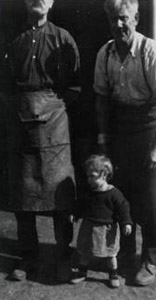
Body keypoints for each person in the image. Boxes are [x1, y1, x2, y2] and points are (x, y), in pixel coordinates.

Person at [94, 0, 156, 286]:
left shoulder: (151, 50)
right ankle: (124, 255)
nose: (119, 24)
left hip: (154, 127)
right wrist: (103, 140)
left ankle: (150, 262)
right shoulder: (105, 53)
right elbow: (102, 99)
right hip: (122, 128)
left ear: (136, 18)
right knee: (121, 192)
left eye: (124, 18)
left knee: (152, 197)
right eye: (113, 19)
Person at [1, 0, 80, 281]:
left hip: (55, 125)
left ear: (52, 3)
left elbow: (74, 86)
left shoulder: (63, 38)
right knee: (23, 193)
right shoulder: (16, 42)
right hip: (21, 124)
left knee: (60, 192)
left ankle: (63, 254)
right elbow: (6, 87)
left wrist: (50, 107)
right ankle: (27, 257)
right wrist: (25, 108)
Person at [70, 154, 133, 288]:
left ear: (104, 174)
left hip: (107, 229)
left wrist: (126, 222)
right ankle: (82, 272)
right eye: (88, 176)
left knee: (110, 254)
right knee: (85, 251)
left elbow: (124, 207)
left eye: (92, 176)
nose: (88, 179)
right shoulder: (89, 192)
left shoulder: (114, 193)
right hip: (89, 226)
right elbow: (81, 204)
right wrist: (75, 214)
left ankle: (113, 274)